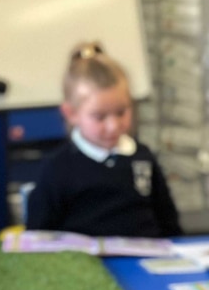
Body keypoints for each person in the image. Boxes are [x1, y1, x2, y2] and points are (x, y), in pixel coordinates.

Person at [26, 42, 182, 238]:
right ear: (71, 113)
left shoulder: (143, 156)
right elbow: (38, 234)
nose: (113, 126)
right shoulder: (57, 167)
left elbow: (168, 220)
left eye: (121, 112)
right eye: (100, 117)